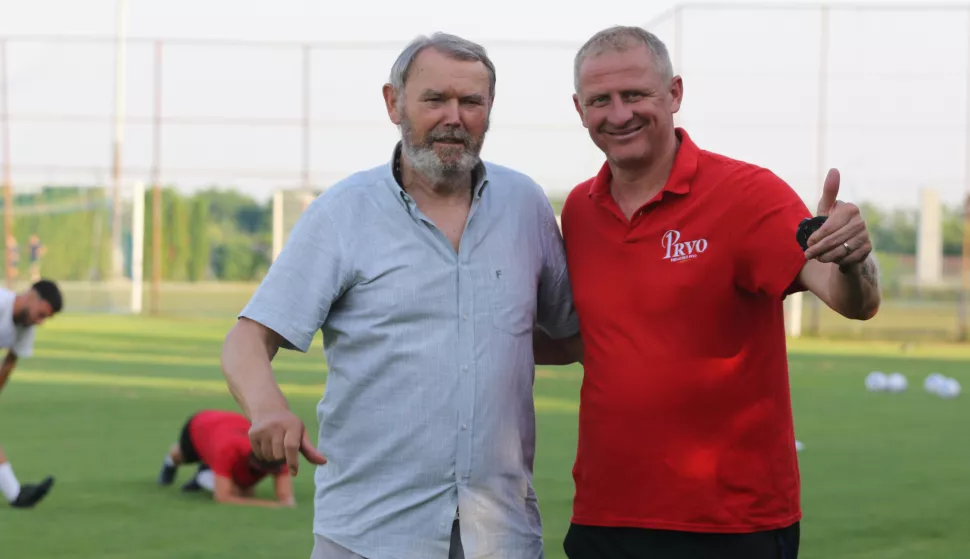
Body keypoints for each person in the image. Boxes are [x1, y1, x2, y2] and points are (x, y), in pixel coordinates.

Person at [220, 32, 579, 559]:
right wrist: (268, 408)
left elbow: (570, 337)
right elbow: (247, 340)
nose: (453, 117)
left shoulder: (525, 205)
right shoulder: (343, 213)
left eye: (470, 102)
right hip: (370, 534)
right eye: (434, 99)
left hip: (501, 535)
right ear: (394, 103)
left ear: (489, 109)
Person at [557, 26, 881, 559]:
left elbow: (854, 302)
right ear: (579, 108)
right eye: (600, 101)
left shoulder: (745, 194)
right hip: (605, 516)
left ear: (674, 93)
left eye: (635, 95)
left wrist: (853, 260)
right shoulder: (579, 210)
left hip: (731, 526)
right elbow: (581, 337)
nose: (618, 114)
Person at [0, 279, 64, 509]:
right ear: (30, 296)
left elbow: (8, 364)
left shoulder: (26, 329)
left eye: (45, 318)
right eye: (41, 314)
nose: (40, 322)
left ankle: (16, 495)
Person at [157, 409, 295, 508]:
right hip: (201, 425)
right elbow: (223, 497)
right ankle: (179, 467)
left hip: (228, 427)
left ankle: (209, 470)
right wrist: (271, 505)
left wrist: (286, 501)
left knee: (243, 492)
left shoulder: (276, 453)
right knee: (180, 456)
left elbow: (285, 497)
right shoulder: (228, 449)